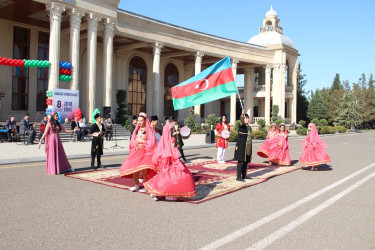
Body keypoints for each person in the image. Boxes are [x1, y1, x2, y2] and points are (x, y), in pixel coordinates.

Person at [144, 122, 197, 201]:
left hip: (168, 161)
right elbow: (172, 152)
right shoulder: (171, 139)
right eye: (171, 130)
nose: (172, 131)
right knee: (175, 177)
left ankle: (161, 193)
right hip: (170, 162)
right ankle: (166, 194)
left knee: (169, 177)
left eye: (172, 130)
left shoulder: (167, 139)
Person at [120, 112, 157, 192]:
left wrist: (143, 142)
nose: (139, 122)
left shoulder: (149, 130)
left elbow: (152, 142)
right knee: (135, 168)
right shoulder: (137, 130)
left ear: (145, 121)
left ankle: (145, 185)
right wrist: (137, 142)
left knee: (144, 169)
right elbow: (132, 140)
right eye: (138, 120)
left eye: (141, 121)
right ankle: (136, 184)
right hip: (137, 151)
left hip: (145, 151)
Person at [234, 110, 253, 181]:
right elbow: (241, 122)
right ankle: (238, 177)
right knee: (241, 161)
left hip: (248, 147)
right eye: (246, 118)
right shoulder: (242, 126)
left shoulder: (249, 127)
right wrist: (242, 114)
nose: (248, 119)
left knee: (246, 161)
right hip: (242, 146)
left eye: (248, 118)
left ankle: (244, 175)